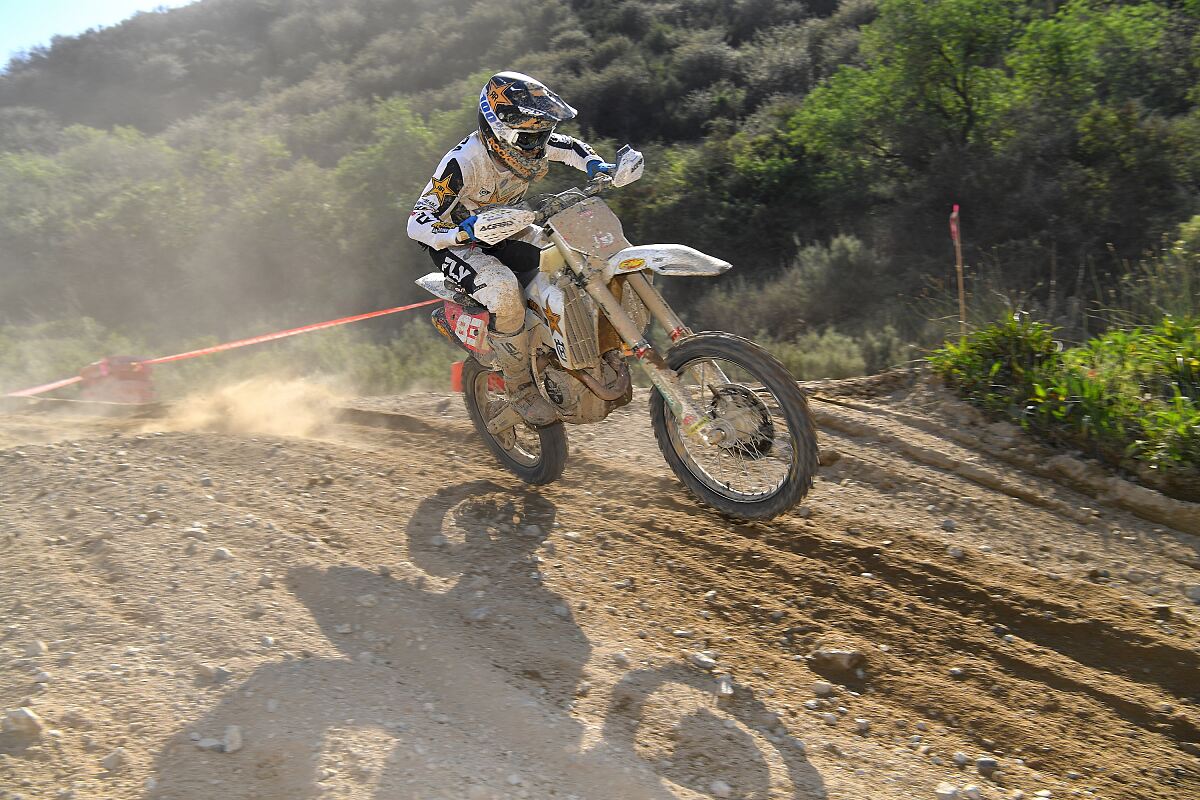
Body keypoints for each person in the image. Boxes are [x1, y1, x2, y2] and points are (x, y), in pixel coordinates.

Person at [407, 71, 614, 426]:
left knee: (572, 257)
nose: (537, 146)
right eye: (529, 138)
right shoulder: (464, 162)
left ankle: (571, 345)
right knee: (504, 291)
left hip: (508, 228)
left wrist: (596, 165)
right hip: (460, 244)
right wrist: (458, 232)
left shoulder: (529, 138)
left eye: (542, 135)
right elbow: (417, 220)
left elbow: (570, 147)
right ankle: (520, 388)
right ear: (497, 131)